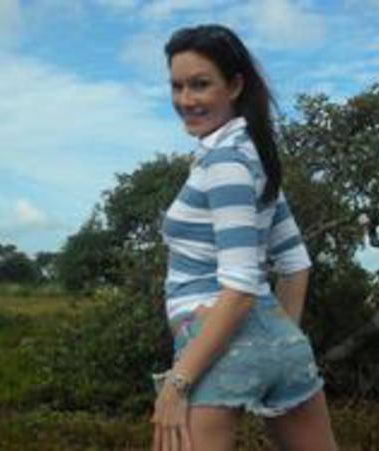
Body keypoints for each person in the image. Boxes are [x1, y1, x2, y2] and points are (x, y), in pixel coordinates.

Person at [150, 24, 338, 451]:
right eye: (177, 86)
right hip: (281, 340)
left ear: (235, 85)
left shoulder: (224, 164)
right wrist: (272, 341)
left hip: (214, 342)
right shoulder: (254, 160)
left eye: (200, 84)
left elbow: (238, 290)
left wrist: (177, 384)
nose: (185, 100)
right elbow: (295, 263)